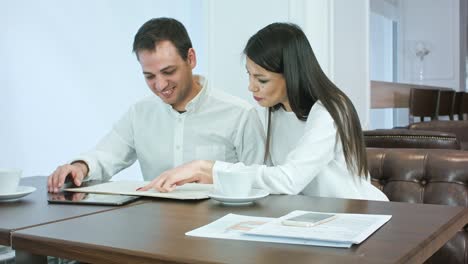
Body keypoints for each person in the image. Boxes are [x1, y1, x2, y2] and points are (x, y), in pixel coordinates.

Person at [140, 22, 388, 201]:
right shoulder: (272, 111)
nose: (251, 87)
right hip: (305, 218)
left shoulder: (330, 110)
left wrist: (208, 168)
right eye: (249, 75)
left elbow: (289, 179)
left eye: (262, 79)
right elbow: (264, 174)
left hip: (354, 216)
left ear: (290, 74)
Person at [47, 18, 265, 193]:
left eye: (168, 72)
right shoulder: (140, 113)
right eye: (149, 76)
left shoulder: (239, 114)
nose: (160, 85)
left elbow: (260, 182)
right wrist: (79, 167)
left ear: (191, 59)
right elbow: (106, 155)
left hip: (218, 230)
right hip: (156, 230)